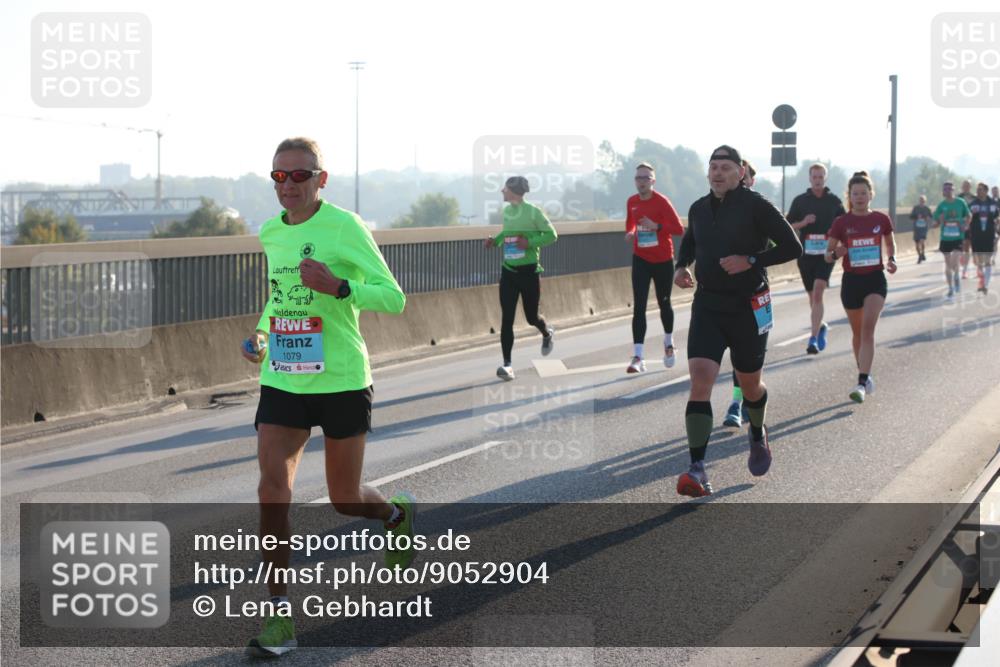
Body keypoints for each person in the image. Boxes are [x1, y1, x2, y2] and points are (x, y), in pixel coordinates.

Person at [241, 137, 410, 658]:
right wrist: (262, 334)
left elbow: (394, 298)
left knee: (344, 498)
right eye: (279, 177)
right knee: (272, 493)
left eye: (299, 175)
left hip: (340, 379)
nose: (288, 185)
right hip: (285, 379)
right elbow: (280, 296)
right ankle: (279, 617)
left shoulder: (345, 227)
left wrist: (340, 287)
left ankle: (395, 516)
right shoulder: (271, 232)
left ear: (321, 178)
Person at [673, 146, 802, 497]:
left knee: (750, 386)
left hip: (748, 306)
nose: (717, 173)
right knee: (701, 378)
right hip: (708, 306)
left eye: (725, 167)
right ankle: (697, 468)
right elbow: (689, 244)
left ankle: (757, 433)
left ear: (741, 171)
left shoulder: (757, 205)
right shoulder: (699, 208)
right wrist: (681, 267)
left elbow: (793, 247)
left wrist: (751, 259)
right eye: (713, 167)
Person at [824, 171, 897, 403]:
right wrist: (837, 253)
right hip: (851, 282)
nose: (859, 197)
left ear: (870, 194)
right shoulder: (841, 222)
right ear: (850, 196)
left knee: (867, 330)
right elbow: (827, 255)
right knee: (857, 334)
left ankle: (862, 381)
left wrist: (892, 258)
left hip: (875, 279)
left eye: (863, 193)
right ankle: (864, 373)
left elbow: (890, 240)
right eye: (855, 193)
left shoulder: (881, 219)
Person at [484, 175, 558, 381]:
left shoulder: (534, 212)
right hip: (508, 272)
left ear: (514, 192)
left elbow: (552, 235)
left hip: (529, 273)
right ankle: (507, 365)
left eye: (505, 189)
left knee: (531, 317)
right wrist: (495, 241)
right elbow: (508, 234)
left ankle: (546, 332)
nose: (502, 192)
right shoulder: (507, 211)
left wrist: (530, 243)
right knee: (507, 319)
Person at [623, 162, 685, 373]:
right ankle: (638, 357)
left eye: (645, 178)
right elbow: (630, 222)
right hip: (641, 258)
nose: (641, 182)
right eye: (638, 178)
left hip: (663, 260)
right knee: (639, 306)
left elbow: (678, 229)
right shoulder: (631, 201)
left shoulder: (662, 202)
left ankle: (668, 343)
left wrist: (657, 226)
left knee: (664, 303)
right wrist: (631, 232)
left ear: (653, 181)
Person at [786, 163, 846, 355]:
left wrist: (837, 239)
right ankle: (820, 326)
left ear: (825, 178)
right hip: (806, 255)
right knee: (813, 297)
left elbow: (845, 225)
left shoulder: (834, 201)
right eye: (815, 177)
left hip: (826, 255)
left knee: (819, 292)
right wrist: (803, 222)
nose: (818, 180)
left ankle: (812, 339)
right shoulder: (801, 201)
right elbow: (787, 225)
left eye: (821, 177)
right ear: (810, 178)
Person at [724, 159, 757, 427]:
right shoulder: (716, 209)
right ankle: (736, 402)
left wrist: (752, 258)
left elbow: (779, 245)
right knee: (736, 355)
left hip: (756, 293)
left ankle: (748, 400)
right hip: (724, 296)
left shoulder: (760, 208)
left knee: (750, 361)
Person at [932, 181, 972, 298]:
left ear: (953, 190)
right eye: (945, 189)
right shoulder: (941, 206)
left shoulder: (961, 202)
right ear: (943, 192)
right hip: (945, 238)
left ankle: (956, 277)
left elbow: (969, 216)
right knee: (948, 265)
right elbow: (934, 224)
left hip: (958, 237)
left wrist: (965, 225)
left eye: (950, 189)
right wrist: (940, 221)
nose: (948, 191)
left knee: (955, 262)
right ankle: (950, 288)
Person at [967, 182, 999, 294]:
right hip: (976, 235)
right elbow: (967, 217)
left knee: (988, 260)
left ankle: (985, 284)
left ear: (986, 191)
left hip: (989, 235)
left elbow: (997, 217)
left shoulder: (993, 203)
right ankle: (982, 281)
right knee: (978, 261)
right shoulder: (972, 204)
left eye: (980, 189)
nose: (978, 191)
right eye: (977, 189)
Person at [959, 179, 975, 279]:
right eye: (964, 185)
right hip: (961, 225)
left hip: (972, 226)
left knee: (968, 247)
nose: (966, 187)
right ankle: (963, 262)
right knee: (962, 247)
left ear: (970, 187)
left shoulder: (974, 198)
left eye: (968, 185)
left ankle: (965, 270)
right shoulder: (958, 198)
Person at [909, 194, 932, 263]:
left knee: (922, 241)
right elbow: (911, 217)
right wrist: (916, 217)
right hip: (917, 228)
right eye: (920, 200)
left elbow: (931, 216)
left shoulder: (927, 209)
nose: (922, 201)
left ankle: (923, 253)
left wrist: (926, 218)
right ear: (919, 201)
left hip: (924, 228)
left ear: (925, 201)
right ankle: (920, 255)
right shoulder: (915, 208)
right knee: (916, 244)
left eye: (923, 200)